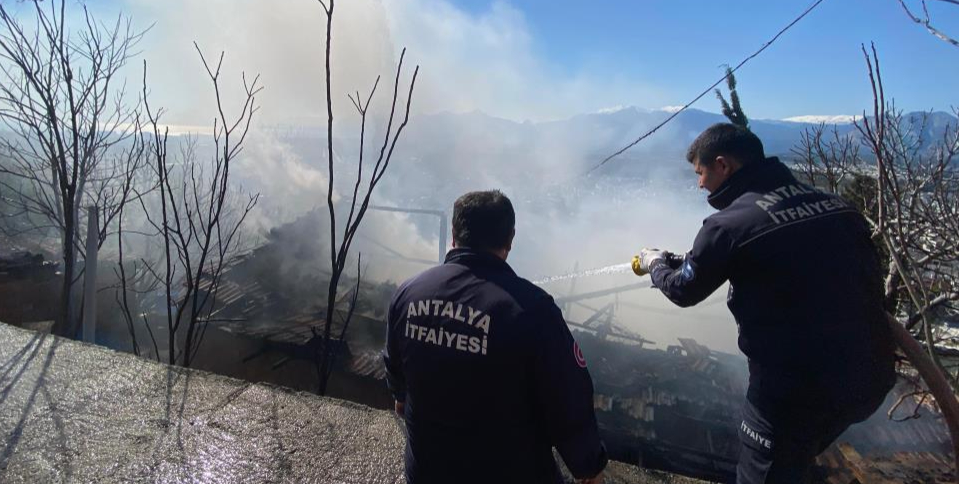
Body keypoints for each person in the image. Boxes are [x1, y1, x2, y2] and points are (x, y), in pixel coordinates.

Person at [635, 123, 895, 484]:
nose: (699, 185)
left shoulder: (728, 225)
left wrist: (655, 264)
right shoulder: (838, 208)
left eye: (701, 173)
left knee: (767, 468)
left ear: (723, 165)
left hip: (793, 394)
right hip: (869, 380)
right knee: (798, 456)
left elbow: (683, 290)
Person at [383, 190, 608, 484]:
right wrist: (588, 466)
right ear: (510, 239)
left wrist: (401, 397)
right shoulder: (533, 309)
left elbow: (394, 366)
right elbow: (568, 400)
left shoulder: (409, 292)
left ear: (454, 235)